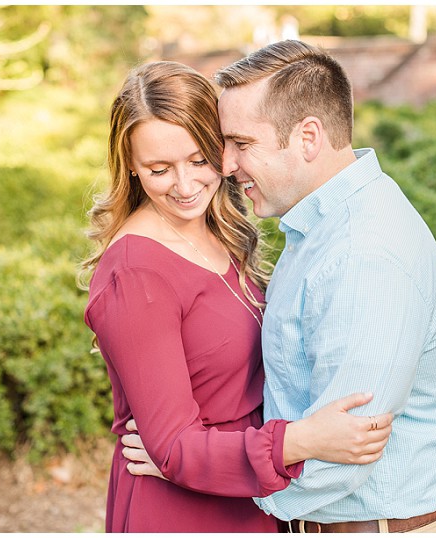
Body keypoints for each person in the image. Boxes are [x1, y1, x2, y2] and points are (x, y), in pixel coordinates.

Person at [124, 40, 436, 533]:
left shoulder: (363, 256)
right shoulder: (321, 224)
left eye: (242, 144)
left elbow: (344, 455)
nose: (225, 165)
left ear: (309, 137)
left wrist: (193, 471)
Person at [80, 60, 394, 533]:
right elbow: (175, 449)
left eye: (199, 160)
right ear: (129, 164)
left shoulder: (220, 231)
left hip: (248, 493)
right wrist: (302, 440)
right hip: (184, 510)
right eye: (159, 169)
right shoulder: (137, 274)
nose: (185, 187)